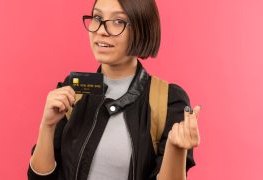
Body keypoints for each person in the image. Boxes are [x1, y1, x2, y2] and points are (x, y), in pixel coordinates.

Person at [27, 0, 201, 179]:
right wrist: (47, 126)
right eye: (97, 17)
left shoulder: (168, 101)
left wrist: (176, 149)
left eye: (118, 21)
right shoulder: (73, 91)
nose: (101, 30)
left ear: (142, 28)